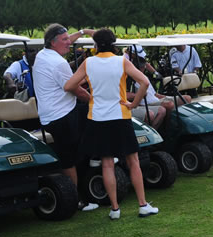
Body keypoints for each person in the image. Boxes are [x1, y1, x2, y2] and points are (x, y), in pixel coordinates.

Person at [64, 29, 159, 220]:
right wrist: (133, 104)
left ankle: (115, 209)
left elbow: (69, 86)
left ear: (95, 46)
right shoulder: (122, 61)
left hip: (98, 118)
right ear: (114, 44)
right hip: (120, 116)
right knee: (133, 161)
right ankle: (142, 205)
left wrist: (91, 97)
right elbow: (145, 82)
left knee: (107, 164)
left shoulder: (88, 62)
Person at [32, 23, 98, 211]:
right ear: (53, 43)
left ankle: (93, 156)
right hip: (61, 116)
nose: (69, 43)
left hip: (51, 114)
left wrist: (83, 32)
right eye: (65, 40)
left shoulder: (43, 54)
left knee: (85, 117)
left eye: (69, 38)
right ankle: (74, 199)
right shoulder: (59, 63)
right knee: (70, 158)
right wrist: (96, 101)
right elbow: (76, 89)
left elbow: (65, 39)